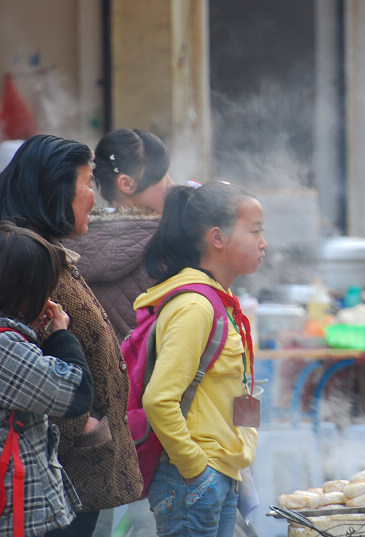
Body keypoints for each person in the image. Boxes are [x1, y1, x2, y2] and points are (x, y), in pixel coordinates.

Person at [0, 134, 143, 536]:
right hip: (51, 480)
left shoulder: (44, 252)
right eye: (85, 183)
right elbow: (29, 365)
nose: (93, 197)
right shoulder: (23, 261)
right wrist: (79, 425)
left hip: (75, 471)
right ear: (55, 189)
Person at [136, 181, 264, 536]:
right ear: (217, 238)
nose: (263, 243)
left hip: (220, 473)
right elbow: (159, 399)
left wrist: (241, 452)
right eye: (254, 231)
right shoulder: (195, 306)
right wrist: (196, 468)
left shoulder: (221, 301)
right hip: (193, 480)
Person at [0, 221, 94, 536]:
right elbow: (74, 391)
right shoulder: (4, 347)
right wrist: (61, 333)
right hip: (17, 518)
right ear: (25, 293)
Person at [62, 128, 173, 343]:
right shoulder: (167, 242)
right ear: (126, 184)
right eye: (161, 175)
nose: (171, 184)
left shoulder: (69, 240)